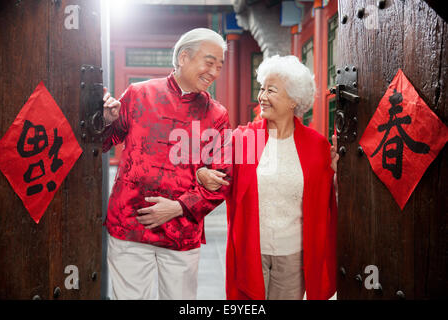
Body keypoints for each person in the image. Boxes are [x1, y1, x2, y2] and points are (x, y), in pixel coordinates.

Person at [101, 28, 231, 300]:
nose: (214, 72)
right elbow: (105, 142)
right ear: (184, 57)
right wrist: (106, 120)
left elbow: (223, 179)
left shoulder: (217, 115)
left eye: (219, 66)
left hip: (181, 232)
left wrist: (179, 206)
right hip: (130, 225)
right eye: (209, 63)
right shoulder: (138, 94)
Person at [197, 55, 339, 300]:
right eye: (262, 89)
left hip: (293, 253)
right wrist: (201, 173)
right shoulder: (245, 139)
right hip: (251, 249)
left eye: (271, 91)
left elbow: (326, 197)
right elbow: (216, 174)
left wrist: (338, 174)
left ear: (293, 100)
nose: (262, 96)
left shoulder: (317, 146)